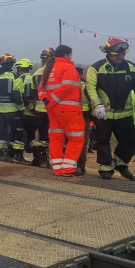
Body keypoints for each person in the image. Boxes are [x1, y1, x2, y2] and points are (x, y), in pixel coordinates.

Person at [85, 37, 135, 180]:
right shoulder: (96, 68)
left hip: (125, 114)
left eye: (123, 53)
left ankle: (120, 163)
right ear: (108, 53)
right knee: (103, 141)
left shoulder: (132, 67)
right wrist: (97, 105)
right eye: (117, 53)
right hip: (103, 113)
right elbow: (90, 88)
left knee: (130, 140)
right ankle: (106, 168)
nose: (120, 56)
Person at [38, 45, 86, 177]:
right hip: (68, 108)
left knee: (56, 137)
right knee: (76, 138)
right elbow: (68, 86)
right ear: (66, 55)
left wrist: (48, 101)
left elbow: (41, 89)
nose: (71, 57)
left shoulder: (48, 69)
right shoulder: (68, 67)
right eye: (70, 55)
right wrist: (52, 100)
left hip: (52, 110)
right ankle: (68, 168)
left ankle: (58, 167)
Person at [0, 53, 29, 163]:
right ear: (12, 64)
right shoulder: (15, 76)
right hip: (12, 111)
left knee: (1, 132)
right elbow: (17, 94)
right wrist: (21, 108)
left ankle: (2, 154)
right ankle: (18, 156)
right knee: (19, 132)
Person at [25, 48, 55, 167]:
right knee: (55, 135)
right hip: (53, 109)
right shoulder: (54, 71)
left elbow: (31, 94)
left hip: (39, 109)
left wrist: (32, 108)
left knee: (42, 136)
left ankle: (42, 159)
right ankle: (55, 160)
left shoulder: (36, 73)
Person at [14, 58, 35, 160]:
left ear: (20, 69)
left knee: (21, 135)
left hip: (23, 112)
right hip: (33, 113)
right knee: (32, 136)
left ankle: (18, 156)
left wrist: (24, 108)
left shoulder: (19, 80)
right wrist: (33, 109)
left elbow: (19, 95)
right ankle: (37, 158)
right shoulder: (32, 78)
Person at [76, 64, 92, 174]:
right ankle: (81, 166)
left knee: (69, 140)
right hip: (84, 115)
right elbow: (92, 101)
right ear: (82, 74)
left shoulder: (69, 85)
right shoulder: (85, 86)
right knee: (83, 142)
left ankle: (68, 163)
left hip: (69, 115)